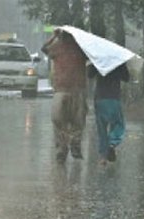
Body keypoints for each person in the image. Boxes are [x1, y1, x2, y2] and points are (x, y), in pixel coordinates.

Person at [41, 29, 88, 163]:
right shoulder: (76, 49)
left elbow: (44, 48)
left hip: (70, 90)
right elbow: (44, 49)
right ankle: (67, 147)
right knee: (74, 121)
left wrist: (53, 37)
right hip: (71, 90)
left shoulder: (76, 48)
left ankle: (68, 147)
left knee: (63, 121)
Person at [88, 62, 129, 164]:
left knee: (101, 128)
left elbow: (90, 75)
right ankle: (112, 143)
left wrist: (94, 64)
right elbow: (126, 78)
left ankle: (103, 156)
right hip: (114, 97)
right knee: (118, 124)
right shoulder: (118, 61)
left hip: (100, 98)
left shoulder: (98, 60)